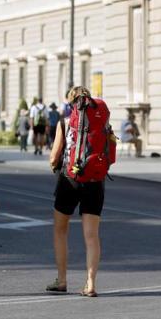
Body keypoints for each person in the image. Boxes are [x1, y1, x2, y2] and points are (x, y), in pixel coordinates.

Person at [47, 86, 111, 297]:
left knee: (60, 230)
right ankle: (91, 283)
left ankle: (62, 279)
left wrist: (54, 165)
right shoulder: (101, 121)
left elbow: (55, 157)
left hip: (70, 180)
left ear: (71, 103)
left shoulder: (65, 123)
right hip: (95, 181)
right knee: (92, 236)